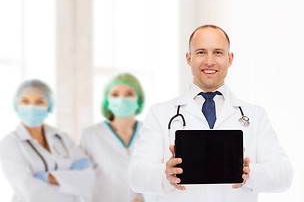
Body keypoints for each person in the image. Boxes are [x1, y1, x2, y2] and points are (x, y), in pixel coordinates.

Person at [128, 25, 293, 201]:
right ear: (188, 58)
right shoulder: (160, 114)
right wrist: (165, 174)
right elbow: (135, 176)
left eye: (218, 52)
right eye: (200, 52)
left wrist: (249, 173)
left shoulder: (255, 115)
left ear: (230, 59)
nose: (209, 61)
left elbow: (284, 174)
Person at [0, 79, 95, 202]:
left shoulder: (62, 137)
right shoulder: (10, 143)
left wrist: (46, 178)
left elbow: (87, 179)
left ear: (48, 106)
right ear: (16, 106)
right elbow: (29, 192)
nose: (32, 107)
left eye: (39, 102)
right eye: (25, 101)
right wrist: (69, 184)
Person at [80, 73, 148, 202]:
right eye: (115, 94)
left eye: (129, 94)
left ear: (139, 99)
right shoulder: (91, 135)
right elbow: (81, 181)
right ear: (107, 100)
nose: (122, 99)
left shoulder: (150, 133)